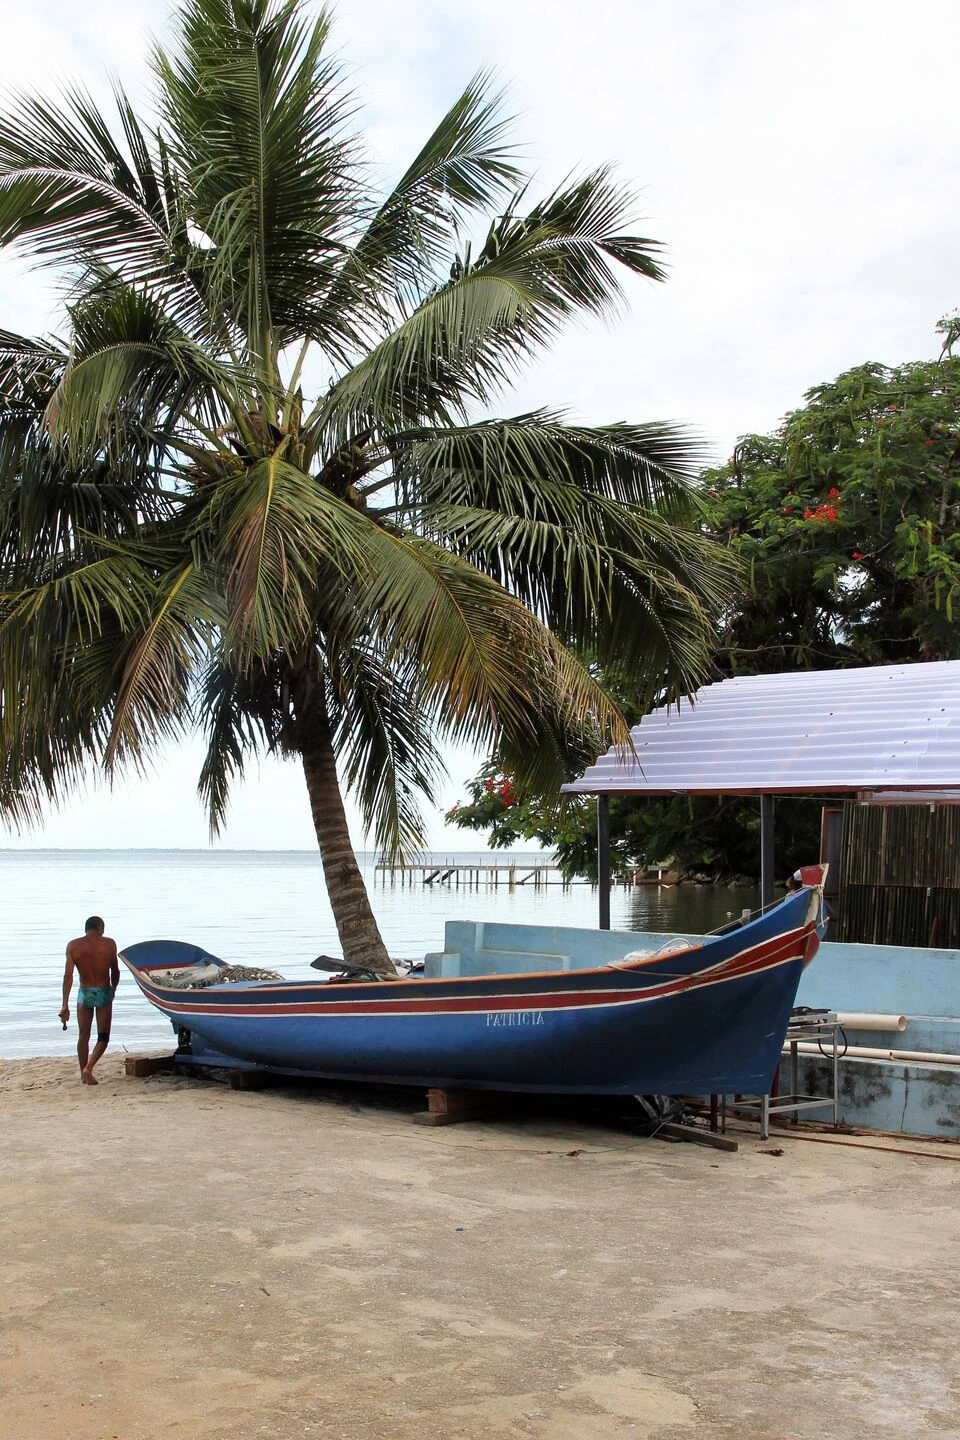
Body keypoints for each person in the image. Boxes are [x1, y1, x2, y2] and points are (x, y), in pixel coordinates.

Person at [60, 916, 120, 1085]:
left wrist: (64, 1004)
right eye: (103, 928)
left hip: (84, 993)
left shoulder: (73, 946)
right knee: (103, 1038)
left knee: (83, 1035)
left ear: (87, 928)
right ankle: (89, 1068)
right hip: (103, 992)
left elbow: (68, 976)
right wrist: (113, 990)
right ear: (100, 927)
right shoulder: (109, 944)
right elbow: (115, 971)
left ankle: (82, 1074)